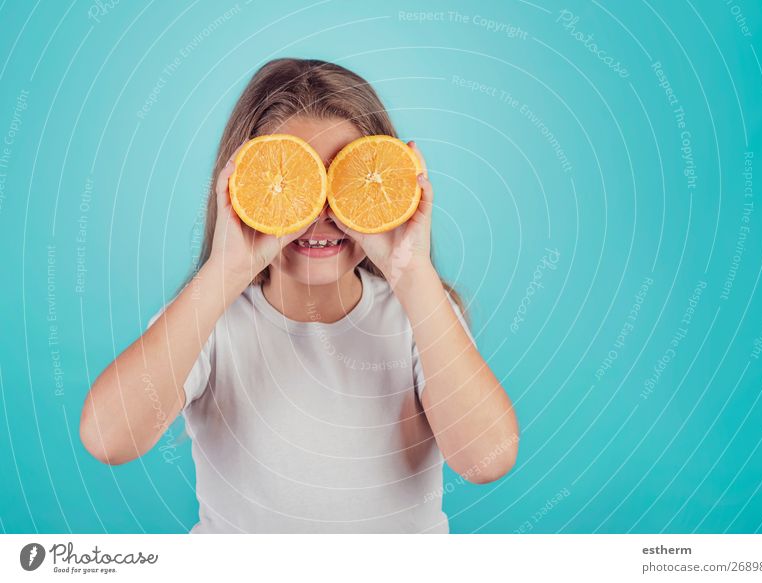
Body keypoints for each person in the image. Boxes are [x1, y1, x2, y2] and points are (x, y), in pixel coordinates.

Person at [80, 58, 518, 533]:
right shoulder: (208, 322)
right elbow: (110, 439)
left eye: (345, 180)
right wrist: (227, 269)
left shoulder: (421, 315)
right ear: (240, 188)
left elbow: (485, 460)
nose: (319, 214)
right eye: (293, 181)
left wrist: (412, 273)